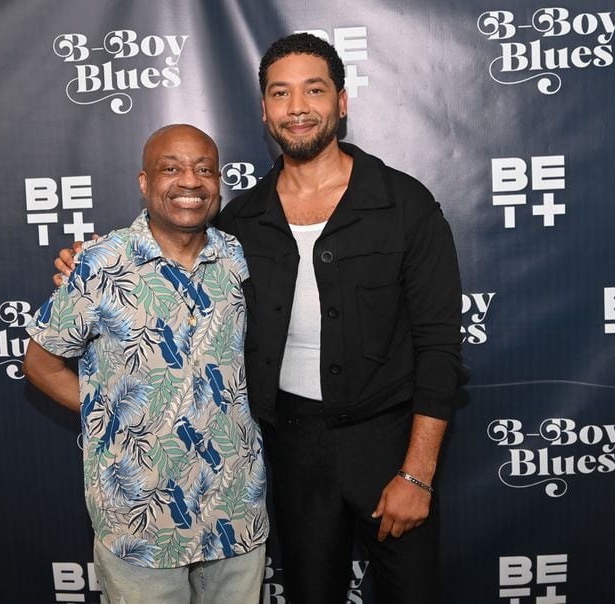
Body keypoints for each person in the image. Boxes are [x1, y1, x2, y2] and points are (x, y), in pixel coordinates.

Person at [56, 34, 467, 604]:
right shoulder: (239, 224)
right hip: (289, 447)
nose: (297, 107)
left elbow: (441, 347)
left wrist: (417, 473)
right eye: (280, 93)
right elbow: (160, 256)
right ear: (265, 110)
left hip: (389, 445)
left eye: (314, 90)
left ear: (342, 102)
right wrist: (88, 264)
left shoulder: (405, 205)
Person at [24, 124, 268, 604]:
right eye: (170, 168)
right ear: (143, 181)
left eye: (204, 169)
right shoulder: (99, 265)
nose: (190, 182)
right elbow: (41, 364)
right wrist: (108, 419)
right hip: (138, 520)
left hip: (234, 510)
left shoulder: (239, 258)